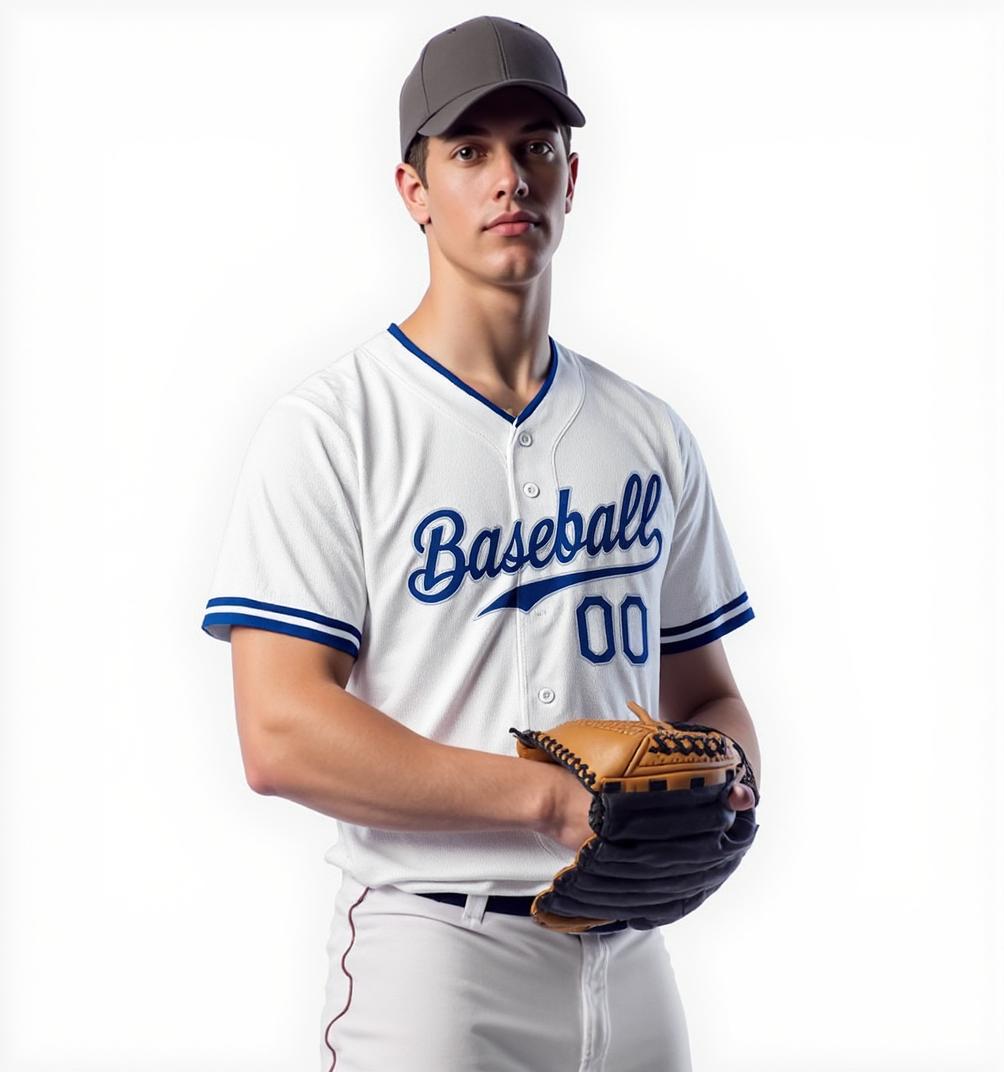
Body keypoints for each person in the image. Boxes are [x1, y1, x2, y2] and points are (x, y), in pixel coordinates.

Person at [200, 15, 761, 1072]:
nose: (509, 177)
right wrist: (544, 799)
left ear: (570, 175)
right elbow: (278, 731)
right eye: (470, 151)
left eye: (534, 147)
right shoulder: (331, 428)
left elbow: (708, 696)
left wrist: (731, 782)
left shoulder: (647, 432)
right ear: (413, 190)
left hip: (633, 956)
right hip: (432, 953)